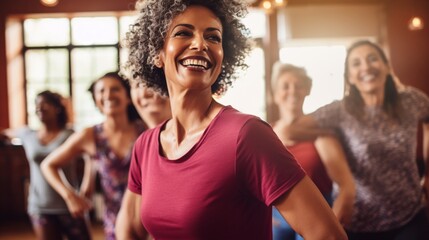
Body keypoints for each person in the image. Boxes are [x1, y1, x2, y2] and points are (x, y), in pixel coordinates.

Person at [118, 0, 348, 239]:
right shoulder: (145, 146)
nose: (200, 44)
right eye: (183, 33)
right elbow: (132, 229)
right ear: (158, 54)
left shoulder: (246, 135)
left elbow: (328, 235)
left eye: (214, 37)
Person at [285, 40, 429, 239]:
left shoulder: (411, 100)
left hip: (410, 217)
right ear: (350, 78)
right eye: (356, 63)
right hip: (358, 223)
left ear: (387, 67)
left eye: (373, 59)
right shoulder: (340, 111)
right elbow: (291, 130)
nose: (366, 67)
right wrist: (328, 134)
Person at [41, 72, 144, 240]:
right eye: (101, 91)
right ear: (96, 100)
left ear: (128, 96)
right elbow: (48, 165)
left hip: (146, 218)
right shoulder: (91, 135)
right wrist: (70, 196)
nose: (108, 95)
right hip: (114, 222)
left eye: (115, 89)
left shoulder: (145, 130)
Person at [270, 63, 355, 240]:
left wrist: (333, 222)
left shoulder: (321, 135)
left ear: (307, 91)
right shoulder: (265, 134)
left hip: (316, 213)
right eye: (285, 86)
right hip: (277, 216)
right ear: (275, 94)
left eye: (298, 85)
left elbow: (346, 187)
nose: (292, 91)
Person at [0, 90, 91, 240]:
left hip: (70, 204)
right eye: (36, 105)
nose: (39, 108)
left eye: (45, 104)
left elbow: (90, 157)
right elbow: (5, 133)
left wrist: (85, 189)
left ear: (57, 108)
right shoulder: (27, 134)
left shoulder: (70, 135)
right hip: (40, 206)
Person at [115, 79, 172, 239]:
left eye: (154, 80)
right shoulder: (143, 145)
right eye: (137, 85)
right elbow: (127, 227)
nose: (146, 92)